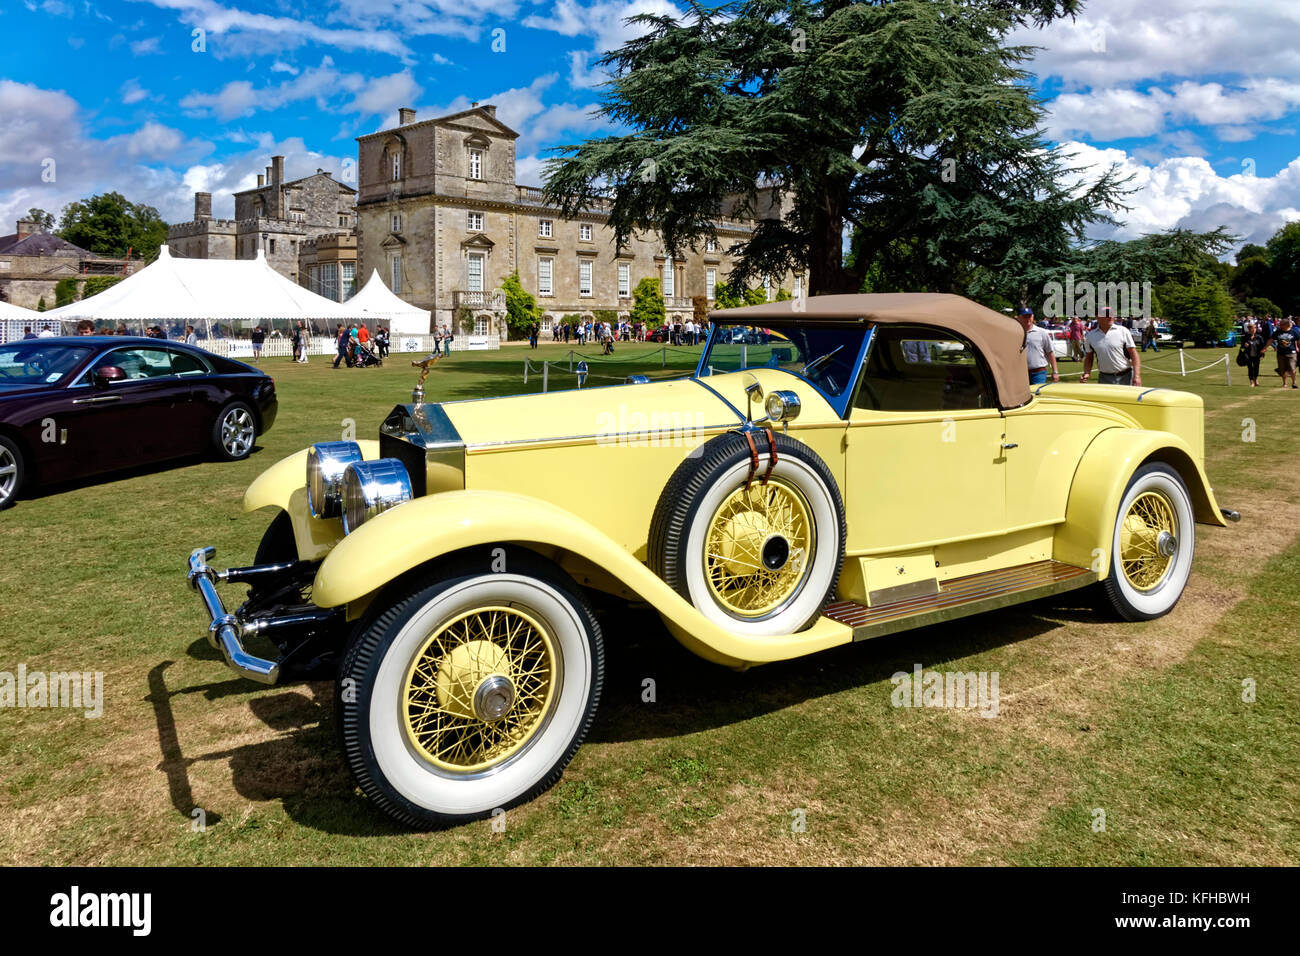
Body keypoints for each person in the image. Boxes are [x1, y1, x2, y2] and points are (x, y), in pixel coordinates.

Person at [1081, 309, 1141, 386]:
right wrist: (1086, 372)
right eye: (1107, 315)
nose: (1110, 317)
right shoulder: (1090, 336)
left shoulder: (1123, 331)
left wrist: (1137, 376)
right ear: (1098, 317)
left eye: (1112, 315)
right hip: (1104, 378)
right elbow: (1089, 357)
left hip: (1126, 377)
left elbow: (1134, 354)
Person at [1017, 307, 1059, 386]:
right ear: (1019, 318)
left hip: (1038, 373)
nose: (1027, 319)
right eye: (1025, 316)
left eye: (1029, 316)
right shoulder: (1016, 333)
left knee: (1037, 394)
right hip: (1021, 374)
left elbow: (1050, 352)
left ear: (1033, 317)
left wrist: (1055, 372)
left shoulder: (1042, 332)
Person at [1270, 316, 1300, 389]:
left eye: (1281, 324)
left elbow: (1297, 340)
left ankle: (1294, 383)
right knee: (1282, 369)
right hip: (1281, 353)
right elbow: (1271, 339)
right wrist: (1265, 347)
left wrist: (1297, 347)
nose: (1280, 325)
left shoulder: (1294, 331)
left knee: (1293, 368)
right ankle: (1285, 383)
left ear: (1286, 324)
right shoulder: (1278, 332)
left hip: (1292, 352)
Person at [1241, 319, 1266, 387]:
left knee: (1256, 368)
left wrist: (1263, 353)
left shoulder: (1259, 337)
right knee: (1250, 368)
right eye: (1252, 328)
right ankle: (1251, 381)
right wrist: (1244, 345)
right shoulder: (1245, 337)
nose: (1254, 329)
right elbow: (1242, 346)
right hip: (1248, 355)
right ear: (1249, 329)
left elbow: (1263, 346)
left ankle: (1256, 379)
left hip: (1257, 355)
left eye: (1255, 328)